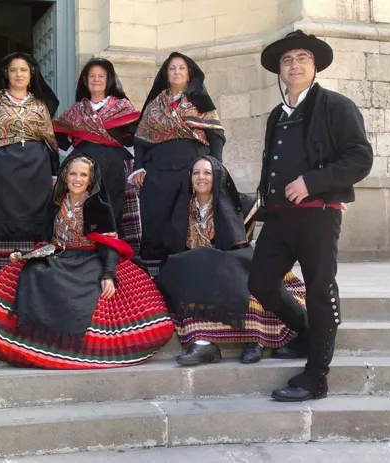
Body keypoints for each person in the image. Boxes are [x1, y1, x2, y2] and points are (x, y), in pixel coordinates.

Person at [249, 31, 373, 402]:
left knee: (320, 290)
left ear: (314, 66)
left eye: (302, 58)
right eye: (287, 60)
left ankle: (316, 376)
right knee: (261, 282)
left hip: (318, 215)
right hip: (279, 217)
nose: (294, 65)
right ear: (280, 70)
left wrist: (312, 182)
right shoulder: (277, 115)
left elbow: (360, 158)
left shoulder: (337, 106)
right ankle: (305, 333)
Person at [0, 154, 174, 369]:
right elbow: (46, 240)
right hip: (61, 256)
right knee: (31, 272)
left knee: (87, 293)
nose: (77, 179)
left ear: (90, 179)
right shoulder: (55, 204)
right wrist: (23, 254)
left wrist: (108, 274)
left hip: (91, 259)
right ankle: (35, 335)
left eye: (83, 175)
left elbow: (109, 244)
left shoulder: (99, 207)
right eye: (73, 174)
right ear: (65, 176)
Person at [156, 156, 306, 365]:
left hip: (231, 266)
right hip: (197, 271)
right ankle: (202, 343)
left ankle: (256, 340)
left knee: (252, 287)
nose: (201, 177)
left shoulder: (238, 203)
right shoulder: (179, 206)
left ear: (217, 176)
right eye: (196, 173)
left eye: (207, 173)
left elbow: (277, 213)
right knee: (188, 290)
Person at [130, 52, 225, 276]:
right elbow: (141, 140)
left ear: (189, 73)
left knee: (187, 216)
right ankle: (156, 275)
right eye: (172, 68)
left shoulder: (201, 102)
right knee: (156, 216)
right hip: (157, 171)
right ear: (166, 73)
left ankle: (188, 271)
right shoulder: (154, 105)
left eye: (181, 68)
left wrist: (216, 167)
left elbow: (216, 136)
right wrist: (138, 168)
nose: (176, 72)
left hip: (191, 169)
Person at [0, 53, 60, 278]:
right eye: (13, 70)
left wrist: (53, 174)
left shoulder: (40, 105)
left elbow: (50, 141)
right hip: (1, 173)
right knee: (1, 217)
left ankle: (31, 273)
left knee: (36, 221)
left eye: (23, 70)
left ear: (31, 75)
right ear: (6, 74)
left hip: (37, 171)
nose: (18, 74)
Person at [53, 58, 143, 255]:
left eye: (101, 76)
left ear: (108, 79)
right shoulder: (77, 110)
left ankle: (110, 255)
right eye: (92, 76)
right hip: (84, 165)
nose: (96, 79)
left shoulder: (122, 106)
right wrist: (71, 151)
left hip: (113, 166)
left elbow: (133, 135)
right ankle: (85, 250)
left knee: (112, 207)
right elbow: (58, 131)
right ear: (85, 81)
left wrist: (135, 163)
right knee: (85, 205)